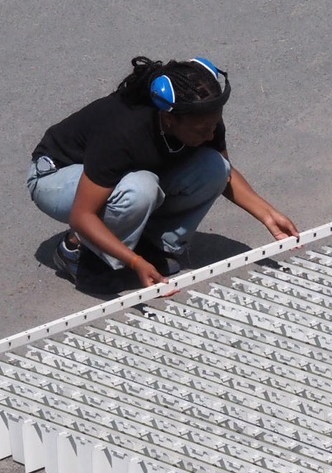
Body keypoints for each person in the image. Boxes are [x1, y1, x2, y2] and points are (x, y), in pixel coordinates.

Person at [27, 55, 298, 294]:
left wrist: (268, 215)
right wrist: (135, 262)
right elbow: (82, 215)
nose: (210, 134)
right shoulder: (124, 132)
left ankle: (152, 246)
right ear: (169, 119)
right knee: (140, 189)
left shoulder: (203, 116)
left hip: (120, 178)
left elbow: (225, 174)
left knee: (213, 166)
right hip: (56, 177)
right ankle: (78, 253)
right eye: (202, 129)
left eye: (214, 124)